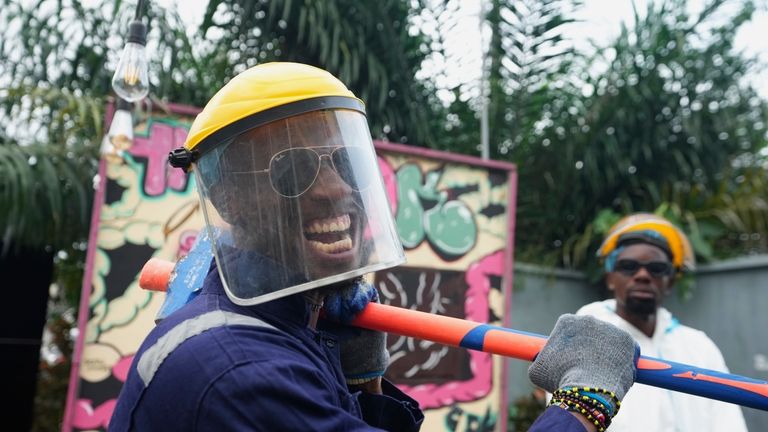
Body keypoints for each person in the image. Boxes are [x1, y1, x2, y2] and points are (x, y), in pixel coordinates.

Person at [109, 61, 637, 432]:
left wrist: (362, 380)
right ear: (229, 200)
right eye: (293, 171)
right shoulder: (240, 372)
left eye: (344, 163)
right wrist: (581, 403)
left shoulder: (286, 328)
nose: (338, 190)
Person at [576, 213, 748, 431]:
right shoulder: (584, 336)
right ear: (610, 278)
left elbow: (729, 421)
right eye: (629, 266)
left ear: (669, 283)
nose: (643, 275)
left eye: (657, 268)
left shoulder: (700, 347)